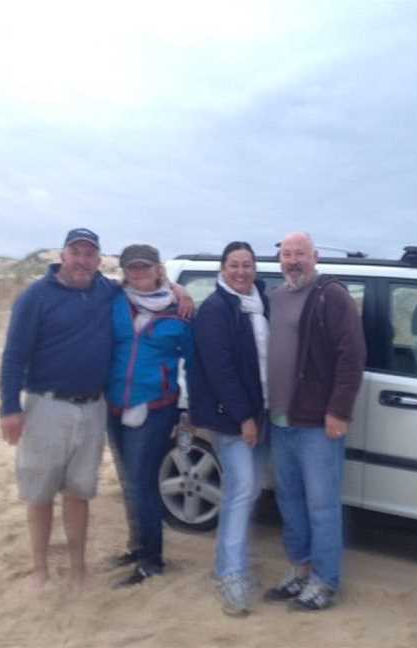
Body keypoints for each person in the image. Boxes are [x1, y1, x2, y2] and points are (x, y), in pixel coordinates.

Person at [0, 227, 119, 589]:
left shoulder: (107, 291)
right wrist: (9, 407)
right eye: (76, 252)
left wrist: (175, 287)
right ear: (63, 256)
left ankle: (78, 568)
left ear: (98, 260)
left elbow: (146, 286)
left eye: (89, 254)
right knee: (39, 493)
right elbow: (14, 356)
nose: (82, 260)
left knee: (80, 491)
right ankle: (40, 570)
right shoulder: (35, 297)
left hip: (94, 407)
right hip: (46, 407)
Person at [263, 232, 366, 611]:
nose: (293, 260)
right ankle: (300, 570)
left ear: (315, 257)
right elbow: (232, 292)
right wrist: (176, 288)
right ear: (280, 260)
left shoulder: (331, 296)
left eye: (300, 254)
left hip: (316, 424)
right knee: (289, 502)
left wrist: (339, 411)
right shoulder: (273, 296)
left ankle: (325, 581)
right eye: (287, 254)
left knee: (322, 506)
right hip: (278, 420)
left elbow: (352, 357)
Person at [188, 241, 270, 617]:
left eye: (247, 265)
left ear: (255, 269)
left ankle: (224, 566)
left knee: (248, 490)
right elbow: (221, 371)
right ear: (222, 269)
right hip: (235, 418)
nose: (241, 271)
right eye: (234, 265)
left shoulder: (258, 302)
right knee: (241, 491)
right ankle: (232, 576)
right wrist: (244, 418)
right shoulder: (216, 310)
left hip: (263, 411)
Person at [106, 244, 195, 587]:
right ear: (125, 271)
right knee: (128, 482)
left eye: (145, 267)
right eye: (132, 268)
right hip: (114, 405)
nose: (139, 273)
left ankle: (152, 560)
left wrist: (191, 409)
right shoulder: (113, 300)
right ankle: (137, 546)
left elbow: (195, 363)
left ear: (159, 269)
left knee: (143, 485)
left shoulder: (181, 311)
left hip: (155, 408)